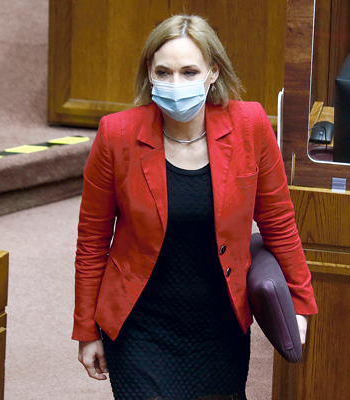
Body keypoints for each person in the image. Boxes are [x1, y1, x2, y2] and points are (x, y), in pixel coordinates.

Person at [73, 14, 317, 400]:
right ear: (149, 76)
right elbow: (91, 242)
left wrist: (300, 305)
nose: (175, 84)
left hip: (218, 323)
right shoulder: (116, 134)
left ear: (213, 72)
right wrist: (86, 328)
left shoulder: (250, 125)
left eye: (189, 72)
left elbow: (278, 221)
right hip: (141, 324)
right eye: (163, 72)